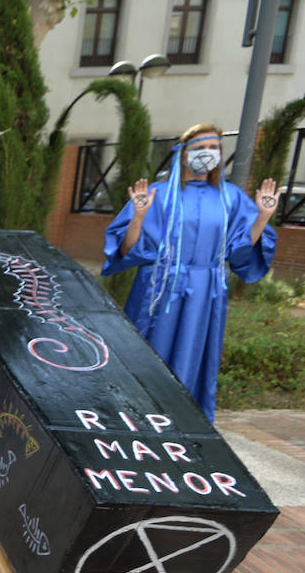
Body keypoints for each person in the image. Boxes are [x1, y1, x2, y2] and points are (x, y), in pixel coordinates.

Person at [102, 123, 278, 422]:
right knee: (147, 354)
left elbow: (240, 252)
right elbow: (127, 250)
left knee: (193, 356)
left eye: (214, 149)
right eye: (199, 148)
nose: (207, 155)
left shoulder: (230, 198)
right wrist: (138, 217)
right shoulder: (158, 194)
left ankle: (184, 423)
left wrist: (262, 216)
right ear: (182, 153)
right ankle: (134, 418)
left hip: (205, 292)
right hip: (159, 290)